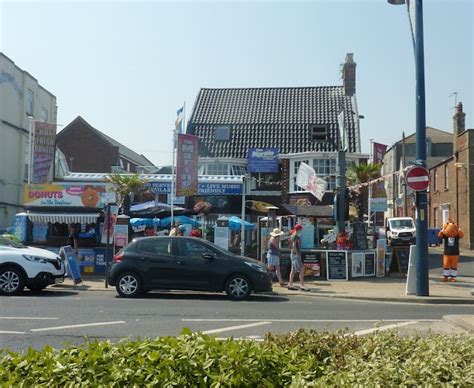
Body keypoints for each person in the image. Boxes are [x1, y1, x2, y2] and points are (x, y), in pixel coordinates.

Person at [287, 224, 310, 291]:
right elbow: (294, 246)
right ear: (299, 229)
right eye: (301, 229)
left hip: (292, 254)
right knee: (301, 269)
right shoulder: (296, 236)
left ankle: (290, 284)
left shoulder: (292, 235)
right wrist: (297, 253)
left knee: (293, 270)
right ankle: (302, 285)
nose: (301, 230)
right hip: (295, 254)